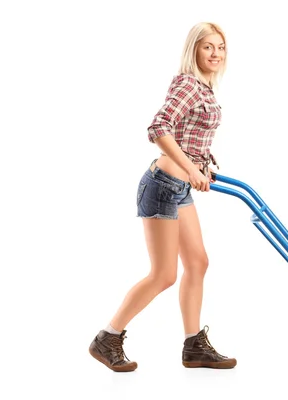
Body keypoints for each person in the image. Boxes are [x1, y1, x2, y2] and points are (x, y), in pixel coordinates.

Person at [89, 22, 236, 372]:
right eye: (208, 47)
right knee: (163, 274)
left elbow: (189, 137)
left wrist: (203, 168)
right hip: (162, 186)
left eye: (221, 47)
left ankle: (193, 345)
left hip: (180, 186)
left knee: (198, 262)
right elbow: (159, 128)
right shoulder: (188, 83)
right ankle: (107, 337)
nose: (215, 54)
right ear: (194, 50)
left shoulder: (204, 87)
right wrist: (189, 167)